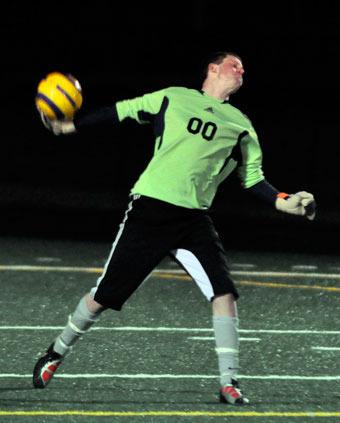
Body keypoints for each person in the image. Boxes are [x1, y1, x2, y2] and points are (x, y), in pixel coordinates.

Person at [32, 51, 316, 405]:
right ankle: (56, 353)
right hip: (150, 208)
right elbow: (120, 112)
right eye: (234, 63)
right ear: (212, 69)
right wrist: (70, 125)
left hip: (193, 219)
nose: (241, 69)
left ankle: (229, 382)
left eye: (243, 67)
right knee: (102, 297)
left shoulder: (241, 125)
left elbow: (254, 180)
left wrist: (286, 201)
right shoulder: (173, 97)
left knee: (224, 292)